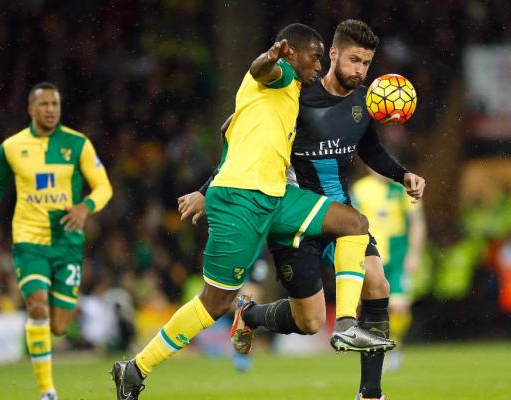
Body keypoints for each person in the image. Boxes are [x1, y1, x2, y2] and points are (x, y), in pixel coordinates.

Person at [111, 23, 379, 400]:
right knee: (215, 302)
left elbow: (230, 138)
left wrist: (205, 190)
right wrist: (268, 59)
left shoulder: (291, 97)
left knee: (354, 224)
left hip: (277, 197)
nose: (319, 65)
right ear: (290, 53)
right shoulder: (279, 73)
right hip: (241, 201)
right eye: (314, 56)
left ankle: (347, 322)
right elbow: (261, 70)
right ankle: (134, 369)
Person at [179, 20, 426, 400]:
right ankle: (251, 316)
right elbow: (246, 145)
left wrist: (403, 174)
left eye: (366, 63)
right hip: (295, 216)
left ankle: (370, 392)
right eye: (354, 59)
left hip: (339, 215)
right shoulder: (296, 94)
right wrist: (203, 190)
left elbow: (370, 150)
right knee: (309, 321)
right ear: (333, 54)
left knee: (377, 283)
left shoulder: (363, 102)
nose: (360, 70)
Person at [0, 82, 113, 400]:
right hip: (29, 240)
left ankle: (39, 334)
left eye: (55, 104)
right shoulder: (12, 146)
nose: (50, 109)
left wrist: (85, 206)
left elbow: (104, 186)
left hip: (67, 244)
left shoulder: (78, 144)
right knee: (37, 306)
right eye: (44, 104)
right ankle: (47, 391)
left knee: (60, 326)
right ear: (30, 109)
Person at [352, 171, 427, 372]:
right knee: (372, 308)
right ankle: (377, 349)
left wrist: (415, 253)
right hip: (371, 256)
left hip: (398, 256)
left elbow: (417, 222)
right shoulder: (360, 189)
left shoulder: (403, 188)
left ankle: (395, 344)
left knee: (400, 307)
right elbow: (351, 221)